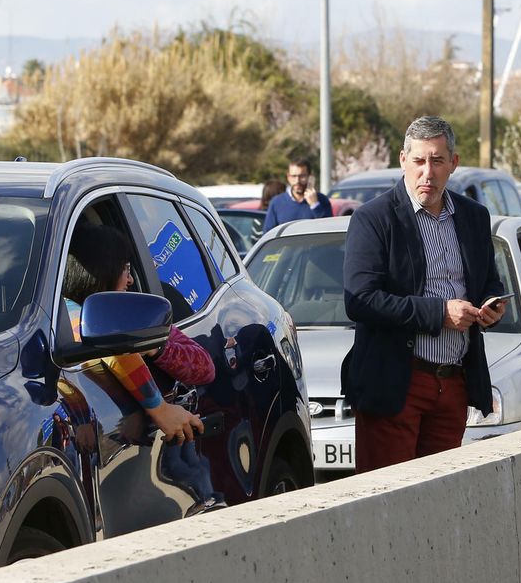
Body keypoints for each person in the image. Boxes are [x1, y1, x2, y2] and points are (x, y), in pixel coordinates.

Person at [341, 115, 509, 472]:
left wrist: (490, 306)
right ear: (403, 161)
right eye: (418, 161)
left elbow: (487, 282)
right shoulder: (374, 219)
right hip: (395, 384)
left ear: (454, 163)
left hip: (455, 382)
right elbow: (360, 299)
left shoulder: (474, 216)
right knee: (387, 499)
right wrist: (439, 314)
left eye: (436, 160)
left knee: (442, 500)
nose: (427, 173)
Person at [63, 224, 224, 512]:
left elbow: (204, 368)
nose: (130, 279)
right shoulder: (69, 316)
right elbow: (112, 350)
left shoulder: (133, 314)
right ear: (103, 270)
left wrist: (154, 346)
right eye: (125, 268)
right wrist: (159, 410)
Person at [261, 157, 334, 232]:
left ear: (310, 177)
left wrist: (315, 205)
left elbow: (329, 230)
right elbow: (268, 234)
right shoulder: (276, 202)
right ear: (288, 177)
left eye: (302, 176)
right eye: (294, 176)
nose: (297, 181)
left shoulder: (322, 200)